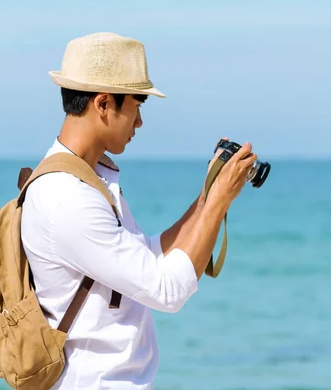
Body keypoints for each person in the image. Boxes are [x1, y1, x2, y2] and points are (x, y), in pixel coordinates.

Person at [20, 32, 257, 389]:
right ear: (103, 104)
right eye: (137, 104)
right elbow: (167, 290)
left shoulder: (89, 177)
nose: (140, 122)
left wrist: (208, 196)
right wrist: (219, 201)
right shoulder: (68, 197)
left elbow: (147, 256)